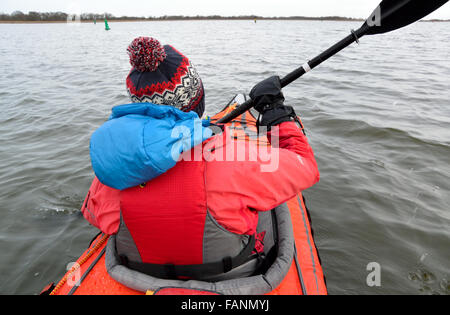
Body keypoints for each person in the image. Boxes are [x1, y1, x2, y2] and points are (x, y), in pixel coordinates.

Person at [81, 36, 320, 281]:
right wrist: (276, 113)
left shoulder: (111, 171)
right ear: (197, 100)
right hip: (230, 274)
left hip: (140, 275)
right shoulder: (234, 159)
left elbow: (91, 212)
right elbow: (306, 165)